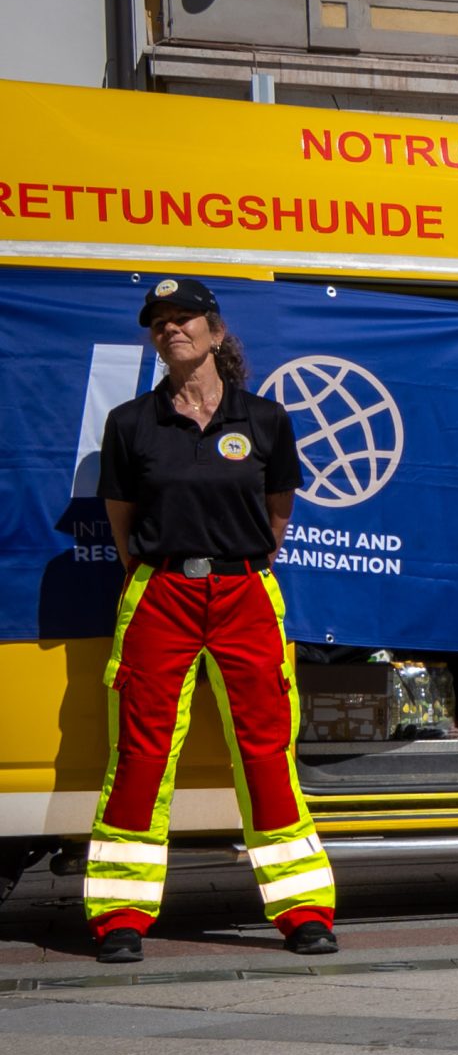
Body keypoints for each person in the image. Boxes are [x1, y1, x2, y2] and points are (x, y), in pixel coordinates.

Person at [84, 276, 337, 963]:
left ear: (216, 332)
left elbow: (276, 517)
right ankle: (120, 916)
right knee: (140, 755)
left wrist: (232, 561)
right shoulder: (130, 423)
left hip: (244, 593)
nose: (172, 328)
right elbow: (123, 526)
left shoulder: (266, 420)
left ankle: (303, 911)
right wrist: (169, 567)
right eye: (159, 321)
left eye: (185, 317)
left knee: (266, 753)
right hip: (160, 593)